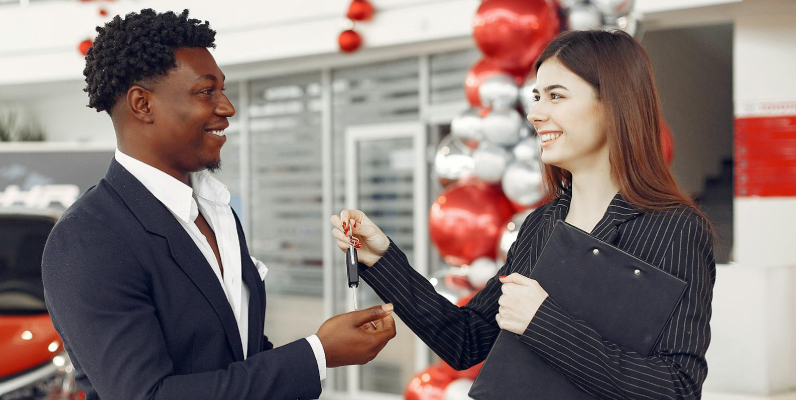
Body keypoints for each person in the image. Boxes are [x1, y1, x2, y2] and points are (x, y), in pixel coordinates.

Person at [331, 29, 716, 399]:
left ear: (614, 103)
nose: (535, 113)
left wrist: (542, 322)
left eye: (556, 96)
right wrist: (381, 260)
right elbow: (466, 340)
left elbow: (677, 388)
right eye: (536, 96)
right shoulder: (542, 225)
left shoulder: (675, 228)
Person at [42, 9, 396, 400]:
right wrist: (317, 355)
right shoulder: (88, 237)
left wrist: (321, 353)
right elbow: (147, 396)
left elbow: (238, 354)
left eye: (221, 90)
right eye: (205, 92)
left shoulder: (214, 208)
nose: (227, 108)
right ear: (142, 104)